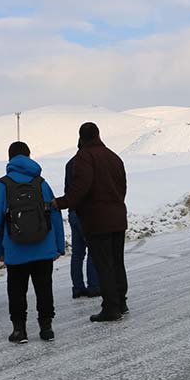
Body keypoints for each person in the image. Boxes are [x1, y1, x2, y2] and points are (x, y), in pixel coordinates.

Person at [0, 141, 65, 343]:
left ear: (9, 158)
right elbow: (55, 215)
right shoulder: (41, 183)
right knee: (44, 287)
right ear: (29, 156)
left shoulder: (2, 185)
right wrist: (59, 245)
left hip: (15, 250)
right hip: (43, 246)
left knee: (16, 290)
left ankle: (19, 330)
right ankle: (46, 328)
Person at [54, 122, 128, 322]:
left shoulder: (84, 157)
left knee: (103, 264)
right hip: (118, 217)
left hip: (98, 220)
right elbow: (122, 186)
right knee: (117, 262)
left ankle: (111, 308)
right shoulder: (114, 157)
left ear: (81, 137)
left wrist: (60, 203)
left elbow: (80, 188)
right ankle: (121, 302)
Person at [65, 156, 101, 299]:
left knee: (77, 253)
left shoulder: (70, 164)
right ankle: (94, 285)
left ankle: (78, 287)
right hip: (86, 212)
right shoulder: (88, 161)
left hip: (73, 211)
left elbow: (68, 189)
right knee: (93, 249)